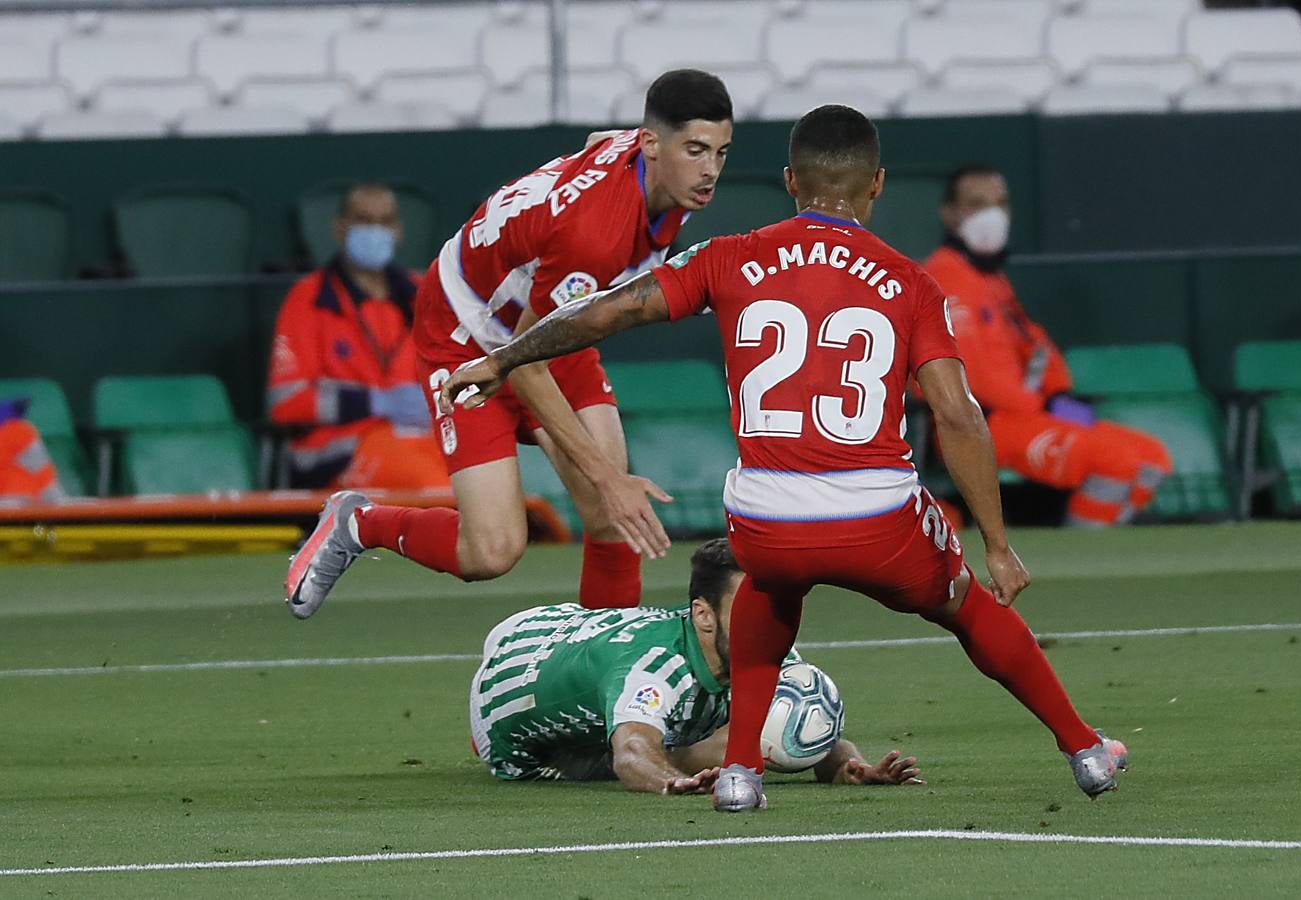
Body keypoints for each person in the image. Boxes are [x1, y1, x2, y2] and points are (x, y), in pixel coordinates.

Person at [438, 106, 1128, 812]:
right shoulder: (910, 282)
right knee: (968, 608)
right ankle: (1085, 750)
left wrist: (505, 355)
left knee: (769, 592)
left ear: (790, 180)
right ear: (877, 186)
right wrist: (999, 544)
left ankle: (741, 773)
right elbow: (958, 414)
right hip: (877, 514)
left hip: (768, 516)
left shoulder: (729, 256)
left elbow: (606, 312)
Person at [284, 69, 734, 619]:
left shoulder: (653, 164)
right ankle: (357, 523)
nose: (710, 170)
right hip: (466, 336)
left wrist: (607, 486)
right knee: (492, 551)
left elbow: (600, 142)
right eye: (695, 150)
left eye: (720, 152)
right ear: (651, 145)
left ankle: (604, 674)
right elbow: (523, 363)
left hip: (546, 326)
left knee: (613, 519)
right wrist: (606, 478)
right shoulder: (594, 237)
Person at [470, 539, 922, 793]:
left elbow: (799, 730)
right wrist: (673, 781)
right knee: (669, 747)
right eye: (747, 605)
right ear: (704, 615)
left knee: (724, 741)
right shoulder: (655, 669)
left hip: (576, 631)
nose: (765, 616)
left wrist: (852, 766)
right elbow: (630, 755)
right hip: (511, 686)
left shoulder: (765, 641)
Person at [920, 166, 1172, 528]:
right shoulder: (945, 277)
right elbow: (973, 380)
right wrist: (1046, 406)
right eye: (976, 204)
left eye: (1000, 204)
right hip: (979, 426)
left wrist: (1059, 393)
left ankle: (1106, 540)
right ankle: (1089, 557)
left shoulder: (990, 278)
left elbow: (1035, 346)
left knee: (1152, 456)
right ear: (949, 213)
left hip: (1022, 415)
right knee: (1117, 461)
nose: (992, 214)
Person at [267, 183, 445, 490]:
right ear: (339, 229)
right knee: (430, 485)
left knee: (473, 479)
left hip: (418, 437)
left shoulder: (422, 295)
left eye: (385, 221)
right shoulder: (309, 299)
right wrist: (375, 403)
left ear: (399, 231)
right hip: (336, 452)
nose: (376, 230)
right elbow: (286, 403)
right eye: (364, 220)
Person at [0, 396, 65, 506]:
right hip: (18, 502)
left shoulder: (18, 431)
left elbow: (40, 470)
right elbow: (41, 470)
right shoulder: (19, 431)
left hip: (16, 502)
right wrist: (59, 504)